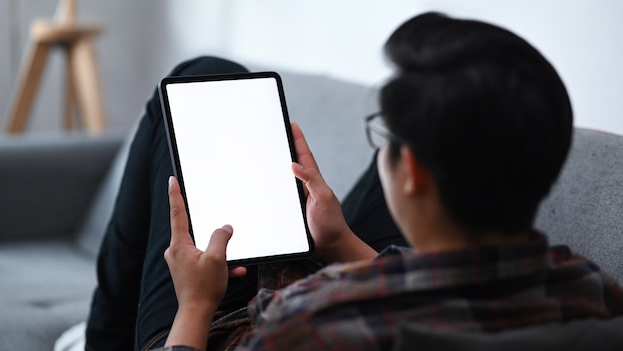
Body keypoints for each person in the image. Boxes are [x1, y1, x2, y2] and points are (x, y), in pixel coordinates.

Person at [85, 12, 623, 351]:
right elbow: (452, 291)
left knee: (198, 73)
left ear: (411, 173)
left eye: (387, 138)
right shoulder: (588, 287)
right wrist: (339, 242)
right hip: (375, 290)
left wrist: (197, 301)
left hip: (213, 326)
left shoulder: (310, 326)